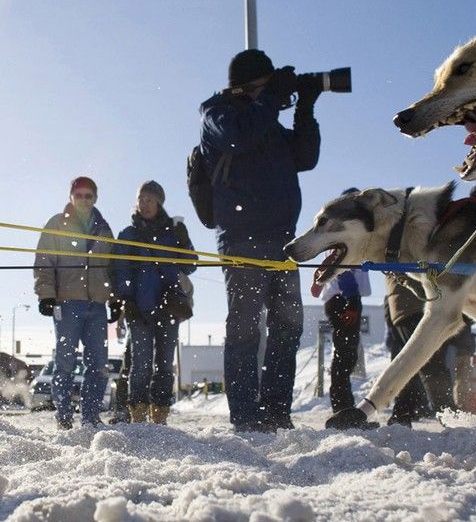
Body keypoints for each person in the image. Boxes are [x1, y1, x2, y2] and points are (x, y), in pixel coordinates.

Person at [199, 49, 323, 433]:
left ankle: (275, 410)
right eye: (266, 86)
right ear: (243, 87)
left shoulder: (267, 122)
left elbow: (306, 156)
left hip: (283, 239)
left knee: (287, 325)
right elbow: (240, 137)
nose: (275, 94)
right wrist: (271, 97)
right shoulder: (216, 113)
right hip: (242, 238)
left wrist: (305, 108)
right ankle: (246, 415)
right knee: (245, 327)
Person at [34, 176, 119, 429]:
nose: (84, 200)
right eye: (79, 195)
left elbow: (112, 268)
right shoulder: (57, 224)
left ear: (95, 198)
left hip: (97, 306)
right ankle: (63, 416)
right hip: (67, 303)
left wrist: (114, 299)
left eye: (88, 195)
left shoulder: (104, 229)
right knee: (65, 361)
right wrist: (46, 294)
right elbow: (44, 261)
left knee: (99, 364)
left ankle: (91, 417)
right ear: (71, 196)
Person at [112, 181, 198, 424]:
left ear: (159, 202)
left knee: (163, 365)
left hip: (169, 307)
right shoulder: (128, 234)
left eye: (150, 199)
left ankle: (160, 414)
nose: (144, 204)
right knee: (139, 365)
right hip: (138, 308)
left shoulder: (174, 231)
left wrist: (184, 241)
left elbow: (190, 266)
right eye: (141, 199)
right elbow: (121, 271)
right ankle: (137, 415)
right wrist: (126, 301)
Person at [317, 202, 372, 412]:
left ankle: (343, 405)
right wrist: (352, 301)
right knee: (345, 354)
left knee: (346, 353)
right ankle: (342, 408)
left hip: (343, 298)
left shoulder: (340, 237)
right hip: (344, 299)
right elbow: (345, 271)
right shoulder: (344, 238)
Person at [384, 276, 457, 426]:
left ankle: (401, 414)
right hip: (414, 304)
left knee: (410, 364)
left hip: (407, 305)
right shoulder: (398, 253)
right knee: (430, 361)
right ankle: (448, 414)